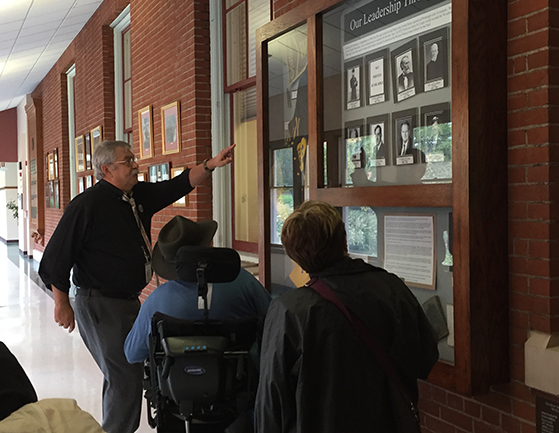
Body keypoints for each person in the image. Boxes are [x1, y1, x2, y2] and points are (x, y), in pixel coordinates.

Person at [38, 140, 234, 433]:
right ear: (107, 169)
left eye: (133, 158)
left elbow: (176, 186)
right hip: (100, 302)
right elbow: (57, 256)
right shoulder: (87, 204)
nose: (135, 165)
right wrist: (60, 302)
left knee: (122, 373)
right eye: (127, 160)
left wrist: (209, 165)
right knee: (125, 375)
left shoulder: (135, 195)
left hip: (128, 302)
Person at [255, 201, 439, 433]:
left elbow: (271, 404)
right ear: (344, 240)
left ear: (295, 256)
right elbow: (425, 358)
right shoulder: (391, 288)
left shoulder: (289, 311)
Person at [124, 215, 272, 364]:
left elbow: (132, 354)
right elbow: (274, 323)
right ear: (206, 247)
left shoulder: (156, 300)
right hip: (242, 381)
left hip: (176, 383)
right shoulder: (242, 282)